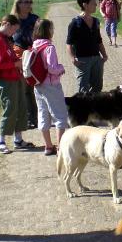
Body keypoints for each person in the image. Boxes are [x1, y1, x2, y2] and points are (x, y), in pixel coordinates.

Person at [0, 14, 34, 154]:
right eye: (13, 30)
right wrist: (17, 63)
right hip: (7, 80)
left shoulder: (5, 39)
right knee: (10, 109)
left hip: (15, 77)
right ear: (6, 24)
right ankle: (1, 141)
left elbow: (8, 57)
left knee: (20, 107)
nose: (14, 33)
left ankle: (18, 140)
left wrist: (18, 60)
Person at [31, 19, 69, 156]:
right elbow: (52, 68)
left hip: (37, 85)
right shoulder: (49, 47)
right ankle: (60, 147)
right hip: (51, 85)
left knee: (43, 114)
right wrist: (61, 68)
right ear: (48, 31)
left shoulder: (34, 45)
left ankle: (48, 146)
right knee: (60, 115)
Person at [66, 0, 108, 93]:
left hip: (96, 59)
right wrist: (73, 59)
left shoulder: (96, 21)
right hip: (82, 60)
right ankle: (83, 109)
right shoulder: (75, 23)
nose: (96, 5)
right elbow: (69, 44)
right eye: (93, 3)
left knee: (97, 87)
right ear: (85, 4)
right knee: (83, 89)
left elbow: (99, 40)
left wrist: (104, 55)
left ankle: (94, 108)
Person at [11, 0, 40, 129]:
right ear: (18, 4)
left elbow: (41, 37)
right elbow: (5, 39)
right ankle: (28, 118)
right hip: (18, 58)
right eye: (25, 2)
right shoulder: (12, 20)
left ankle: (37, 117)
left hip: (34, 56)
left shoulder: (35, 19)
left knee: (35, 88)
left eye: (30, 1)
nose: (28, 4)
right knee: (23, 90)